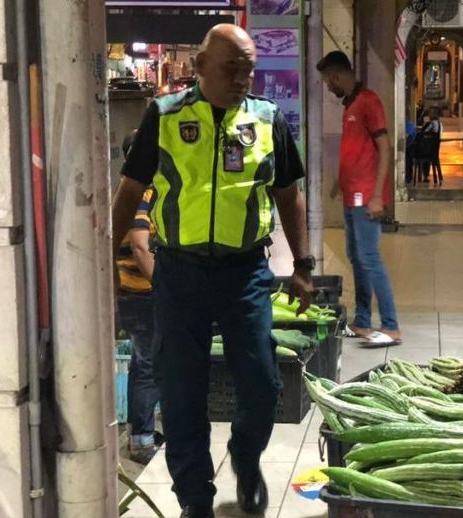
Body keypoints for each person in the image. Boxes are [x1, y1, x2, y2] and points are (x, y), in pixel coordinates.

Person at [111, 24, 313, 518]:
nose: (242, 79)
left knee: (263, 383)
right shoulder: (164, 115)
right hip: (179, 274)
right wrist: (103, 261)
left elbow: (289, 195)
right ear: (201, 66)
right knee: (181, 392)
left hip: (244, 274)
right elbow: (130, 190)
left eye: (249, 70)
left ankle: (246, 457)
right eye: (231, 69)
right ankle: (195, 498)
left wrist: (303, 266)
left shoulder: (267, 119)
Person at [317, 50, 402, 345]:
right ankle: (363, 321)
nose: (327, 86)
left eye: (327, 81)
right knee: (356, 256)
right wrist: (339, 182)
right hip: (352, 195)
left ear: (336, 76)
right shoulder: (351, 104)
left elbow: (384, 148)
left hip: (366, 196)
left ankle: (390, 325)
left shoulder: (368, 101)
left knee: (369, 257)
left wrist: (377, 196)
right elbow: (357, 149)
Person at [115, 130, 161, 465]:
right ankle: (142, 440)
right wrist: (165, 289)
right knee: (149, 366)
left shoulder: (128, 192)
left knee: (143, 364)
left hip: (134, 293)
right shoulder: (143, 193)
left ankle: (141, 434)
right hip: (143, 295)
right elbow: (140, 246)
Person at [421, 108, 443, 186]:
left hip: (428, 150)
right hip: (435, 150)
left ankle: (425, 176)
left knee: (420, 154)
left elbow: (423, 133)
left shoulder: (431, 124)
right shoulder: (440, 124)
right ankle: (437, 177)